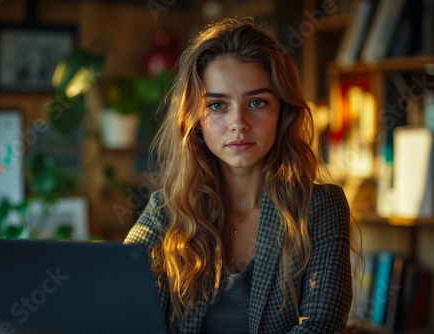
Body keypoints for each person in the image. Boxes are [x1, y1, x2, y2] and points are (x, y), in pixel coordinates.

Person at [124, 18, 360, 334]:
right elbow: (118, 299)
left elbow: (320, 326)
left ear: (283, 112)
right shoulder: (166, 211)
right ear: (196, 119)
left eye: (257, 102)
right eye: (218, 105)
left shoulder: (320, 207)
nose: (239, 122)